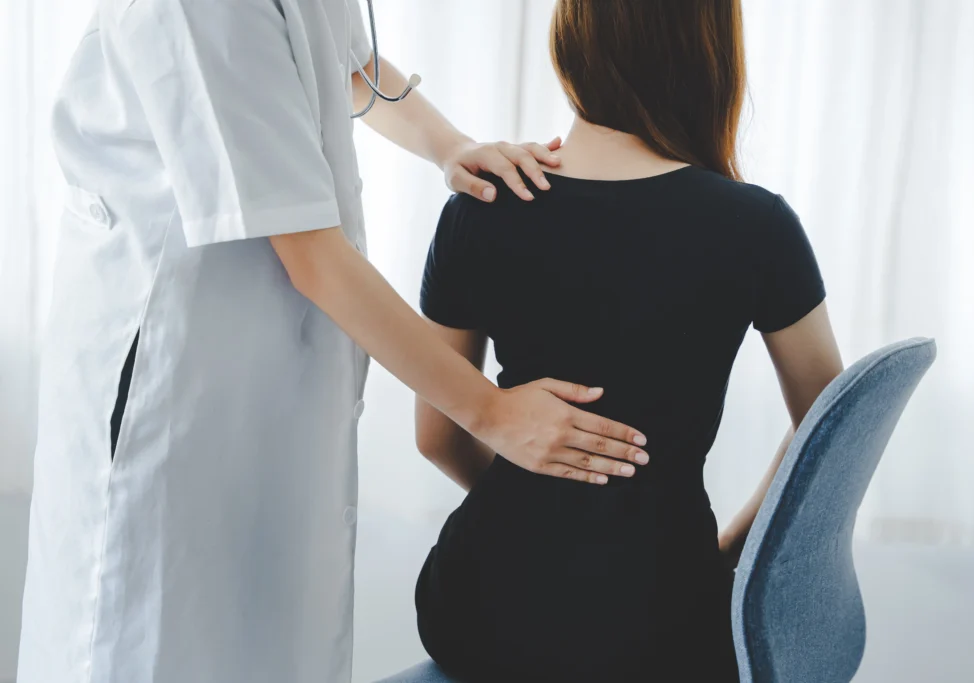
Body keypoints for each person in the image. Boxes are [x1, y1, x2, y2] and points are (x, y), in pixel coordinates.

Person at [17, 2, 653, 682]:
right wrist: (492, 412)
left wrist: (449, 145)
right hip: (167, 388)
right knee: (156, 642)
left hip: (262, 385)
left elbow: (343, 65)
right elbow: (310, 253)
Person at [412, 1, 846, 681]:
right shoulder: (757, 226)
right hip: (661, 624)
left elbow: (436, 435)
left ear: (570, 42)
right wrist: (727, 549)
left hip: (477, 609)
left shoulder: (481, 203)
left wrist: (547, 504)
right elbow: (829, 435)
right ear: (709, 52)